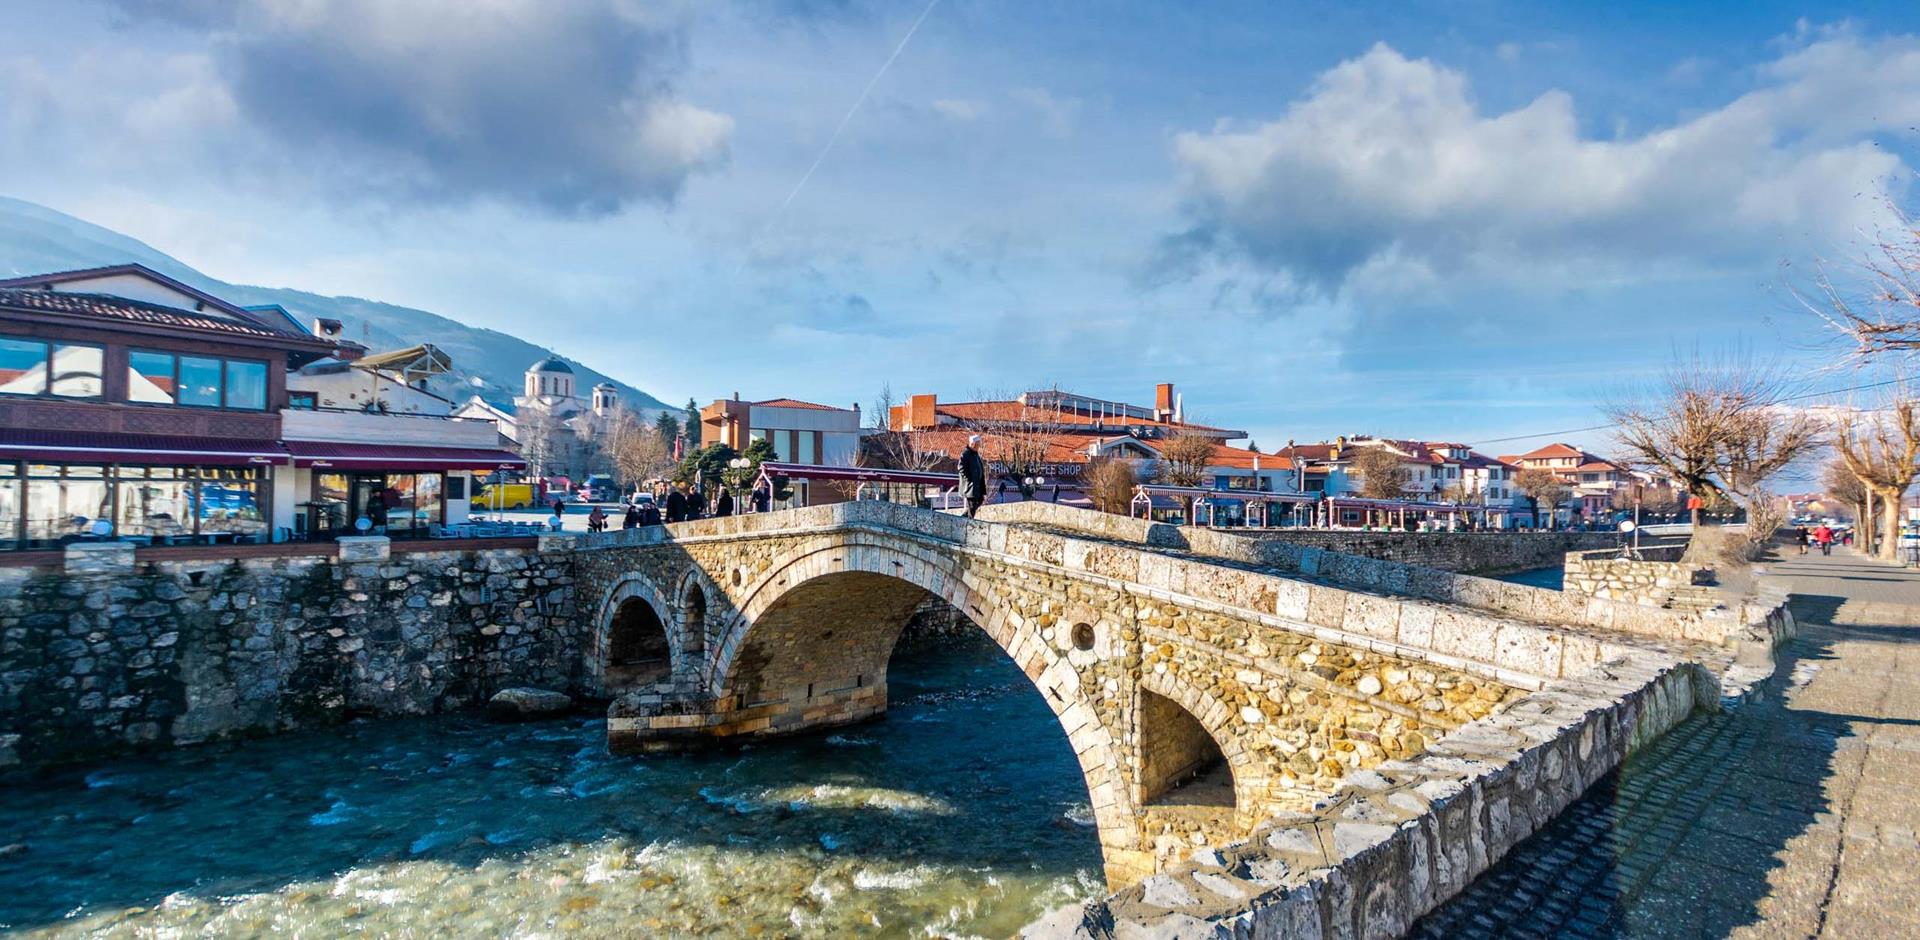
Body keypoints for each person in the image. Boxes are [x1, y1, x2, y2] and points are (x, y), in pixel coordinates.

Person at [959, 434, 987, 518]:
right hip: (970, 485)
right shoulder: (966, 453)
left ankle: (963, 518)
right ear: (973, 444)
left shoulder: (975, 454)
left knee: (979, 500)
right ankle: (970, 522)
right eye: (978, 444)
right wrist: (969, 479)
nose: (979, 446)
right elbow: (961, 468)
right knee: (972, 504)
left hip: (977, 485)